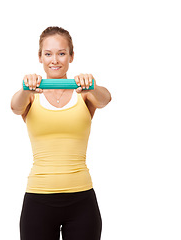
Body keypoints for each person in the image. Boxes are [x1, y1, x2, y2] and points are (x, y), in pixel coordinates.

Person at [11, 26, 112, 240]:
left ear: (71, 56)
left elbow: (105, 99)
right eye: (48, 53)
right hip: (38, 199)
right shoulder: (31, 95)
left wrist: (91, 85)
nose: (54, 60)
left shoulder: (83, 93)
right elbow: (15, 107)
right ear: (40, 57)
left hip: (82, 200)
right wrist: (24, 88)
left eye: (61, 53)